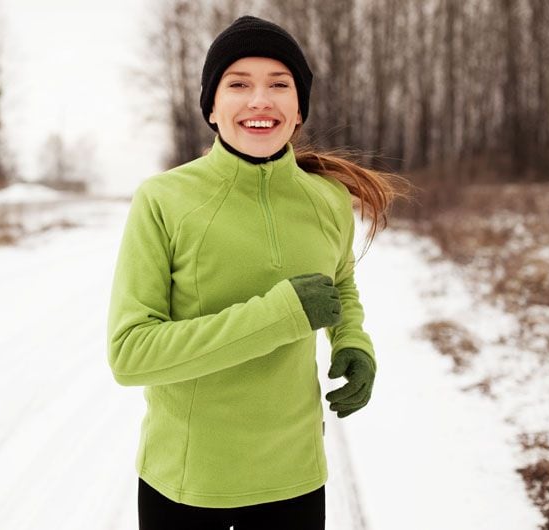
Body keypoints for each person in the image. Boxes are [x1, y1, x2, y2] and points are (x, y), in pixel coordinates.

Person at [107, 15, 408, 530]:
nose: (259, 100)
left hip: (296, 478)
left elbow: (338, 285)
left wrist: (352, 341)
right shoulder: (163, 200)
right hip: (188, 484)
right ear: (211, 107)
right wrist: (279, 315)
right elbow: (130, 355)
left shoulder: (328, 200)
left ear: (298, 109)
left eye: (279, 84)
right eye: (238, 84)